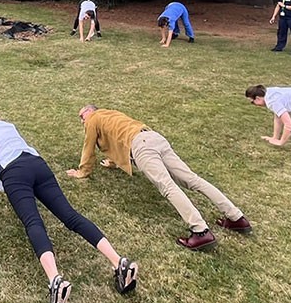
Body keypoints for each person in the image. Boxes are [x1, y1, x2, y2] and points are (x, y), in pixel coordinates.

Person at [0, 111, 138, 303]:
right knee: (71, 215)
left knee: (33, 222)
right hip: (38, 165)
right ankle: (119, 262)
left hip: (13, 173)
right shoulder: (8, 126)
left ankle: (55, 280)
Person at [68, 105, 252, 250]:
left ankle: (200, 230)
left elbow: (88, 147)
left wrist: (82, 171)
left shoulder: (93, 119)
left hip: (142, 147)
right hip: (154, 137)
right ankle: (236, 217)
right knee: (193, 180)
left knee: (168, 187)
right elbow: (117, 136)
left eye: (81, 116)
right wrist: (113, 162)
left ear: (90, 112)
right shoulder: (110, 114)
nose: (81, 121)